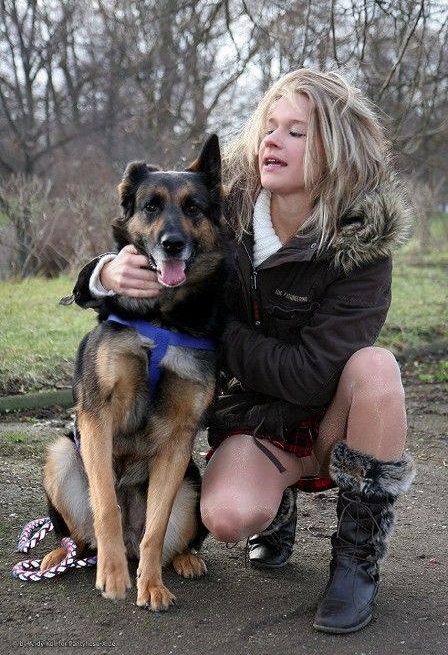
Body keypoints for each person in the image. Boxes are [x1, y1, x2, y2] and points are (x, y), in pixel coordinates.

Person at [71, 68, 415, 634]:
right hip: (258, 422)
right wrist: (104, 274)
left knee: (375, 367)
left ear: (337, 152)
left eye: (297, 132)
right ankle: (275, 508)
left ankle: (357, 561)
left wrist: (208, 329)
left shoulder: (362, 247)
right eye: (270, 126)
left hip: (328, 418)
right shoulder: (220, 207)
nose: (273, 141)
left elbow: (308, 376)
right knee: (226, 516)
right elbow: (147, 232)